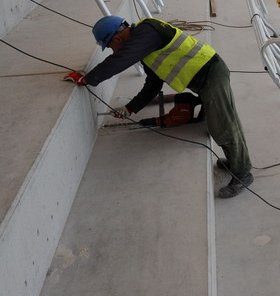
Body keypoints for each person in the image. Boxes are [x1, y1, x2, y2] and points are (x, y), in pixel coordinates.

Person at [63, 16, 253, 198]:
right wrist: (130, 108)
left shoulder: (147, 32)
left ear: (117, 37)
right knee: (220, 123)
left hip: (212, 73)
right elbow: (153, 85)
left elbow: (120, 59)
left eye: (110, 45)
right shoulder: (146, 49)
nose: (112, 50)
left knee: (223, 125)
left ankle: (243, 173)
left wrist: (87, 79)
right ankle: (235, 162)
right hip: (203, 79)